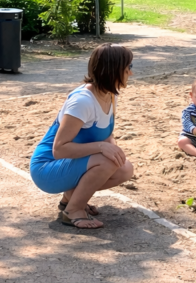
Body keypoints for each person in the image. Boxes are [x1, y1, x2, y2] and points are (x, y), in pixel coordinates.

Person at [29, 43, 135, 229]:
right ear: (113, 70)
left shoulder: (110, 94)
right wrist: (103, 148)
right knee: (107, 161)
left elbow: (106, 136)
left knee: (124, 168)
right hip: (47, 168)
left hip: (70, 163)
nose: (131, 73)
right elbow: (59, 149)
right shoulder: (82, 101)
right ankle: (73, 210)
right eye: (128, 68)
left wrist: (111, 147)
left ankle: (69, 198)